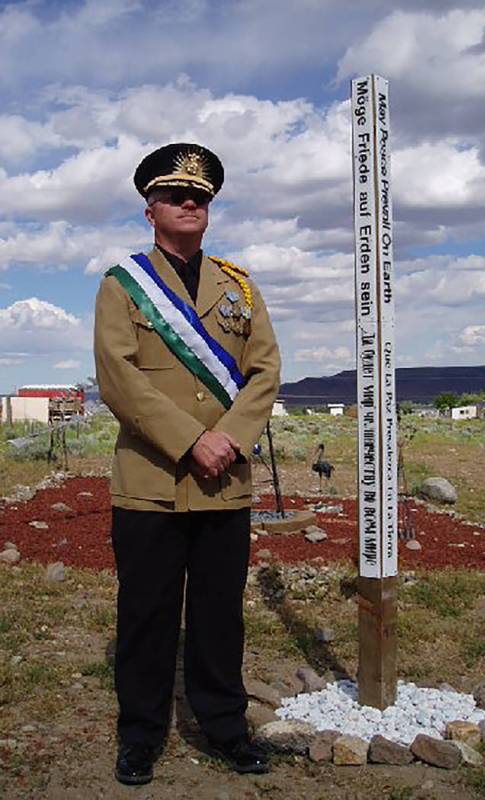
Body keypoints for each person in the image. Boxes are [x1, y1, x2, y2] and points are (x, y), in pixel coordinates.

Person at [93, 142, 280, 785]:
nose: (190, 203)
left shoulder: (240, 287)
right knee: (146, 615)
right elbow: (117, 376)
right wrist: (189, 439)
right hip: (151, 480)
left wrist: (227, 436)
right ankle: (141, 735)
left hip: (225, 480)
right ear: (151, 209)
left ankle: (225, 727)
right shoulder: (123, 286)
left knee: (219, 613)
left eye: (200, 197)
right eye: (176, 195)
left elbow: (264, 371)